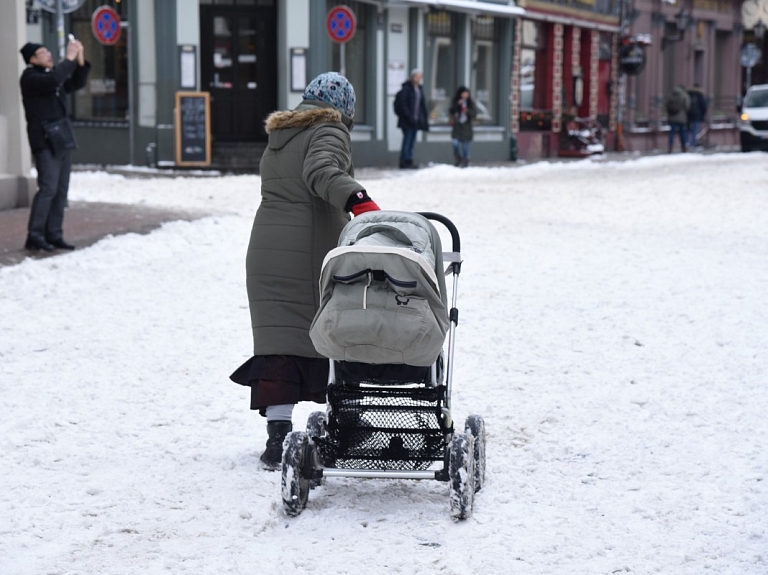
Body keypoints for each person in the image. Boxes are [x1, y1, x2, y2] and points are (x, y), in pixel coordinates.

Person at [229, 72, 381, 470]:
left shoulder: (283, 135)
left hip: (267, 251)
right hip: (308, 252)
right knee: (335, 333)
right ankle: (347, 425)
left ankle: (277, 440)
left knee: (280, 344)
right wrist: (358, 200)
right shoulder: (329, 128)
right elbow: (321, 172)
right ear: (343, 107)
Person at [19, 39, 90, 252]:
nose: (48, 55)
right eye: (43, 53)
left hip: (61, 139)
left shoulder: (51, 78)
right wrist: (68, 58)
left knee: (60, 190)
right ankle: (35, 235)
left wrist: (79, 60)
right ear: (32, 59)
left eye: (48, 51)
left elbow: (75, 83)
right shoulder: (31, 78)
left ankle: (54, 234)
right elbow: (54, 82)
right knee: (48, 187)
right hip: (44, 140)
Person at [394, 69, 429, 169]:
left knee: (412, 141)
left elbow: (422, 106)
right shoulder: (407, 89)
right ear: (412, 77)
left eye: (420, 77)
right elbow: (403, 104)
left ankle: (409, 160)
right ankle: (404, 161)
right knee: (407, 141)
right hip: (407, 120)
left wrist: (423, 119)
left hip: (416, 120)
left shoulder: (419, 89)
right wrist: (408, 116)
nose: (418, 79)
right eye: (416, 77)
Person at [448, 86, 477, 168]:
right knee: (455, 143)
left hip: (466, 126)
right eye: (464, 93)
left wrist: (467, 111)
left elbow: (474, 113)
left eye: (467, 93)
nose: (465, 95)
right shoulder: (456, 101)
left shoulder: (470, 103)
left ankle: (465, 159)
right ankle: (458, 158)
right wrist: (458, 105)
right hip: (457, 126)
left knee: (465, 145)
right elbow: (451, 111)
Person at [665, 84, 690, 153]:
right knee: (682, 133)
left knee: (671, 133)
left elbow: (667, 105)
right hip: (681, 118)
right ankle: (683, 147)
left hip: (672, 117)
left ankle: (670, 147)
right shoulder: (684, 96)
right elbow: (687, 107)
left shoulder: (671, 95)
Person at [687, 83, 708, 149]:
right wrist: (703, 115)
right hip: (697, 116)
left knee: (688, 130)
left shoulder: (689, 94)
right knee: (695, 131)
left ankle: (687, 143)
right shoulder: (700, 95)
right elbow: (704, 106)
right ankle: (693, 144)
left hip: (689, 115)